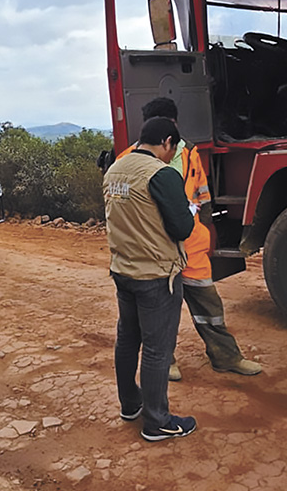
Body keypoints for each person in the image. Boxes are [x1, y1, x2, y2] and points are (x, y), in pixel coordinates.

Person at [129, 97, 262, 381]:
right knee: (162, 309)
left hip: (192, 244)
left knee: (209, 306)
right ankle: (165, 362)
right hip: (157, 248)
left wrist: (209, 228)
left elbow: (202, 194)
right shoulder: (130, 160)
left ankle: (226, 357)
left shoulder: (190, 153)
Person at [103, 116, 197, 442]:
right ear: (167, 142)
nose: (173, 154)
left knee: (128, 339)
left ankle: (130, 404)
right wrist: (189, 212)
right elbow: (182, 228)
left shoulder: (115, 170)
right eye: (174, 148)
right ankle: (157, 422)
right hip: (157, 275)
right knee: (158, 349)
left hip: (123, 270)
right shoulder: (162, 174)